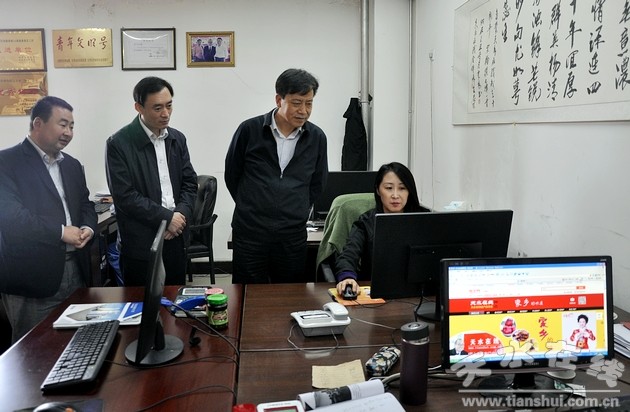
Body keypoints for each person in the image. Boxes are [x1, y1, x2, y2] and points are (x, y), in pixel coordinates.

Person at [0, 96, 97, 343]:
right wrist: (61, 232)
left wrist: (87, 227)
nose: (68, 132)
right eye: (62, 124)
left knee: (77, 344)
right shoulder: (7, 162)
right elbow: (11, 219)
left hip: (76, 269)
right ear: (38, 123)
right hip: (33, 279)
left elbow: (85, 204)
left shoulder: (72, 165)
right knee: (33, 350)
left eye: (72, 126)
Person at [225, 68, 328, 284]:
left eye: (309, 103)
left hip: (292, 234)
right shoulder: (249, 130)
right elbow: (232, 174)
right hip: (250, 232)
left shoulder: (317, 137)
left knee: (289, 293)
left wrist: (296, 208)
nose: (304, 111)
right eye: (297, 103)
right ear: (279, 100)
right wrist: (252, 205)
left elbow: (317, 183)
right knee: (248, 292)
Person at [106, 77, 197, 286]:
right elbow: (125, 196)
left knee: (174, 299)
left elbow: (190, 183)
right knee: (141, 302)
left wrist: (180, 216)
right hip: (141, 244)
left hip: (176, 238)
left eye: (169, 105)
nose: (165, 113)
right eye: (157, 108)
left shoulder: (177, 139)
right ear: (139, 107)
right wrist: (167, 218)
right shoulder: (119, 143)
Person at [334, 162, 426, 296]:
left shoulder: (423, 220)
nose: (395, 195)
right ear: (378, 190)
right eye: (389, 188)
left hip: (419, 294)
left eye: (402, 188)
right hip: (375, 292)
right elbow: (348, 255)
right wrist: (347, 277)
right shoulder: (366, 222)